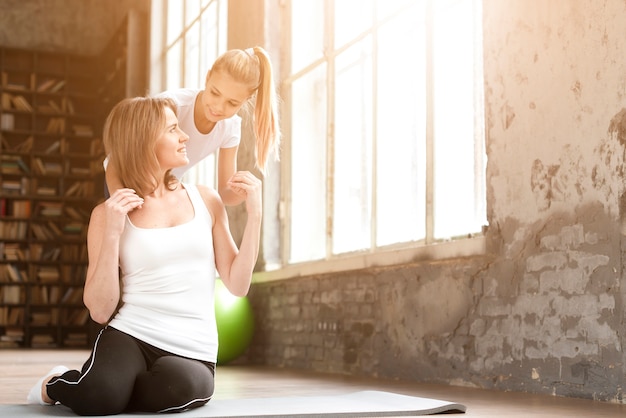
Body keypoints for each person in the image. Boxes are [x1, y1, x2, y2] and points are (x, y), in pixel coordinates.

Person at [27, 96, 262, 415]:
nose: (185, 137)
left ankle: (109, 386)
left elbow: (237, 284)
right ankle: (56, 383)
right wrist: (112, 232)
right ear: (143, 141)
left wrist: (255, 215)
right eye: (173, 129)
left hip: (192, 350)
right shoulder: (107, 214)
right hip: (131, 335)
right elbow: (100, 310)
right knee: (99, 398)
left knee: (178, 389)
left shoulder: (206, 199)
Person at [104, 46, 280, 206]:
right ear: (207, 77)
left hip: (164, 193)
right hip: (123, 186)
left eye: (232, 103)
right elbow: (116, 160)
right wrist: (118, 201)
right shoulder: (172, 105)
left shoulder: (231, 128)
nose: (218, 107)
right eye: (214, 93)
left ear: (246, 100)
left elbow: (224, 195)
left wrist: (244, 193)